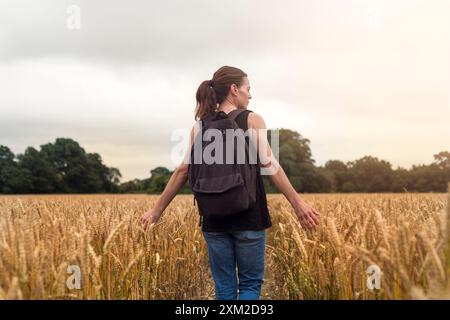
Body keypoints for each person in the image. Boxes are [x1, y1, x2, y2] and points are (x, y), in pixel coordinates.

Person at [141, 65, 320, 300]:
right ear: (235, 89)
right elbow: (270, 165)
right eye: (248, 88)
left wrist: (156, 211)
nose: (250, 94)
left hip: (213, 220)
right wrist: (298, 204)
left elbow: (183, 170)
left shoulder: (200, 127)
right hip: (249, 216)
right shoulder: (252, 120)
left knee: (224, 289)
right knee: (249, 286)